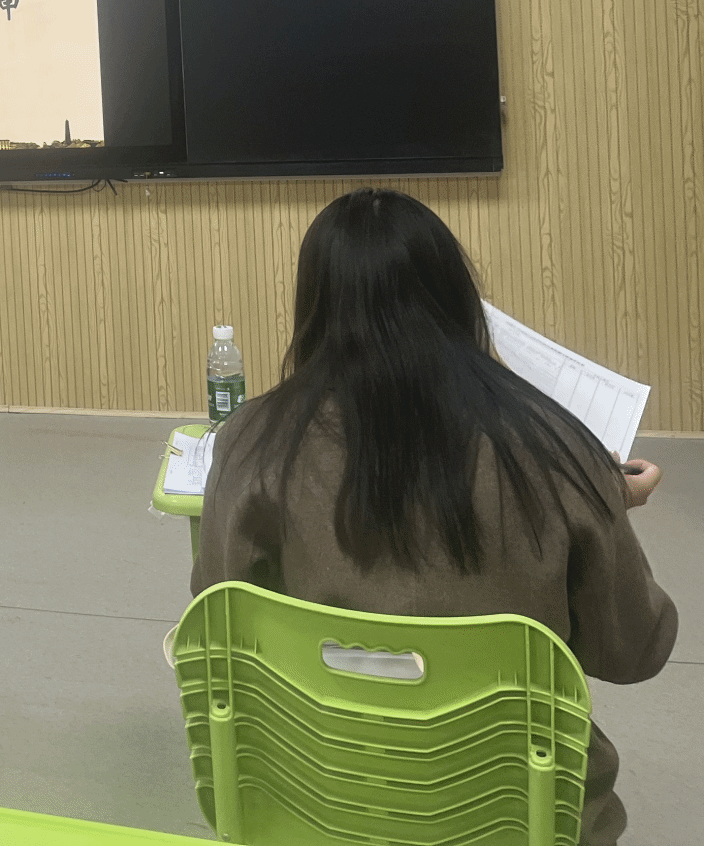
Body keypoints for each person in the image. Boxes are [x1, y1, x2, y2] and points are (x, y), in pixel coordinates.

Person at [195, 188, 677, 845]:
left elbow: (218, 624)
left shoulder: (251, 441)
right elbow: (635, 651)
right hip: (519, 813)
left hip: (316, 799)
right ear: (456, 295)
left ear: (314, 305)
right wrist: (599, 497)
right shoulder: (560, 449)